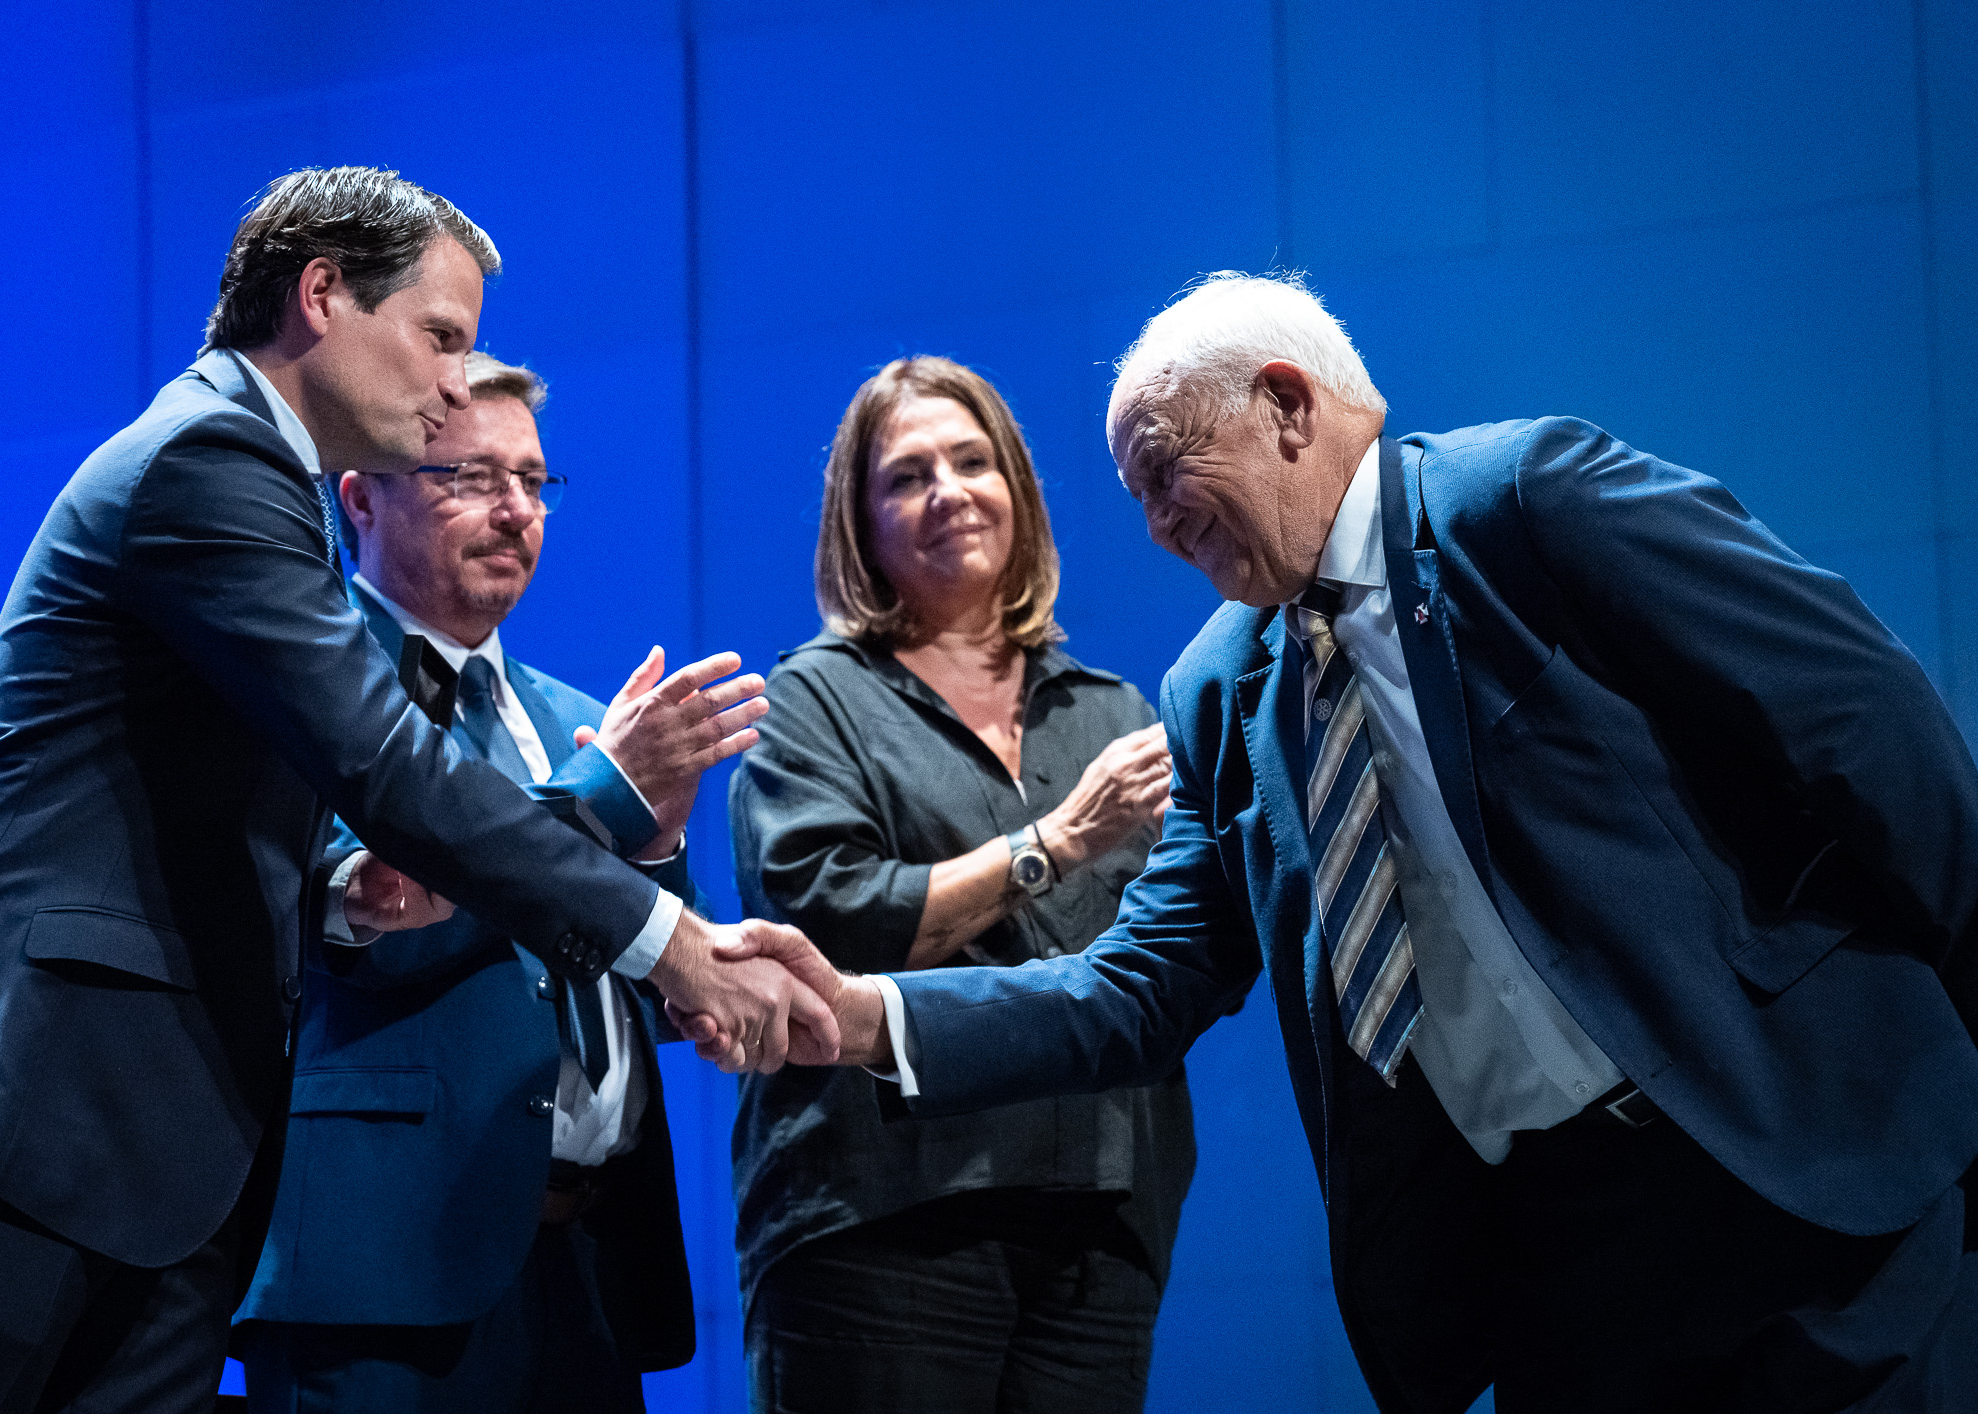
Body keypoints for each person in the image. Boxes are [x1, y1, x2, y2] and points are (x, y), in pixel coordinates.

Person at [696, 273, 1978, 1412]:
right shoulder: (1218, 688)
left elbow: (1860, 721)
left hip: (1790, 1161)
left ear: (1288, 407)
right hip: (1555, 1249)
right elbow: (1138, 986)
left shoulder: (1524, 501)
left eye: (1163, 469)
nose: (1153, 524)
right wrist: (865, 1017)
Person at [0, 168, 831, 1414]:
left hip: (165, 1153)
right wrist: (670, 943)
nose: (449, 383)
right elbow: (391, 766)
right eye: (439, 337)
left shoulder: (271, 492)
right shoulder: (209, 455)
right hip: (32, 1115)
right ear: (321, 294)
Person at [235, 352, 721, 1411]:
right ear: (360, 494)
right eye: (470, 477)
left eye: (533, 481)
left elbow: (661, 1000)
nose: (514, 511)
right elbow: (368, 932)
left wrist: (654, 855)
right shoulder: (307, 686)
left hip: (590, 1258)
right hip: (385, 1265)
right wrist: (600, 798)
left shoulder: (573, 715)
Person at [726, 357, 1190, 1413]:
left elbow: (1174, 953)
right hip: (882, 1207)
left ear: (1018, 489)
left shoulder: (1110, 712)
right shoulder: (818, 700)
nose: (948, 490)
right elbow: (827, 931)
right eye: (908, 475)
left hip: (1099, 1214)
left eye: (972, 461)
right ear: (862, 522)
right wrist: (1056, 841)